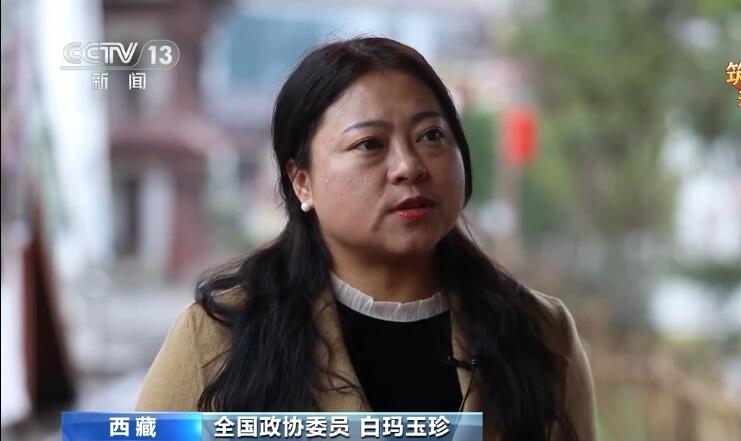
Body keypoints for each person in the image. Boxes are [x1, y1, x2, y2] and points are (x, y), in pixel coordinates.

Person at [136, 37, 596, 441]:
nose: (409, 166)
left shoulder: (540, 332)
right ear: (302, 182)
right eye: (369, 144)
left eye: (431, 135)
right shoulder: (221, 336)